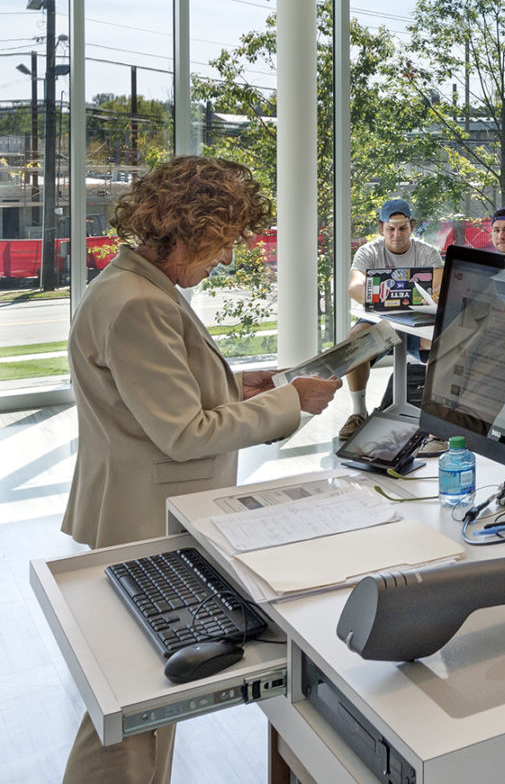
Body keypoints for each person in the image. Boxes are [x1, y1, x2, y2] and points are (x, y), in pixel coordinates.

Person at [60, 157, 339, 784]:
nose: (224, 259)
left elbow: (153, 396)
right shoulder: (139, 304)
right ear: (188, 230)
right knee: (134, 716)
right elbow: (183, 433)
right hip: (146, 520)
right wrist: (290, 402)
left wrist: (238, 385)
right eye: (222, 244)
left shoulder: (131, 287)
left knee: (139, 710)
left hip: (134, 508)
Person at [342, 198, 444, 440]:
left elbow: (440, 284)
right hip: (380, 318)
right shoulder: (368, 252)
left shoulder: (427, 252)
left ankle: (432, 416)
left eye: (403, 228)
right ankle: (358, 412)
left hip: (418, 319)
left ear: (412, 226)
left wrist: (385, 292)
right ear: (381, 228)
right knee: (353, 343)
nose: (397, 234)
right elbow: (354, 287)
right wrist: (407, 294)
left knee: (442, 343)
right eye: (391, 228)